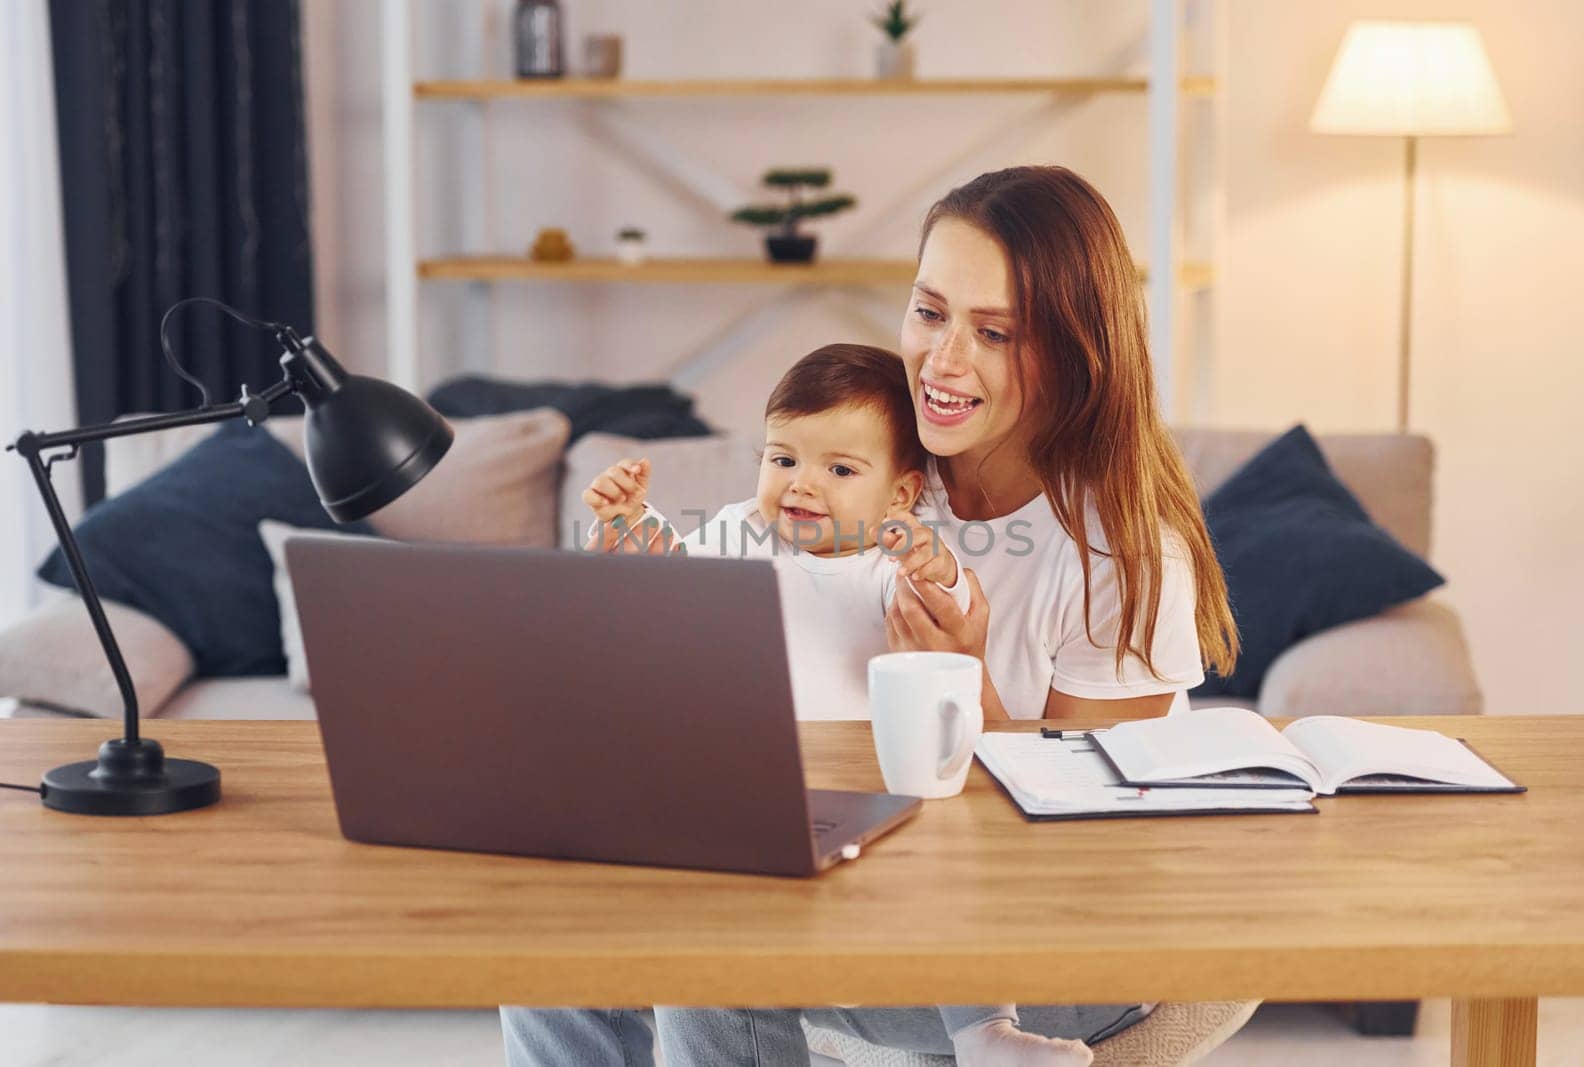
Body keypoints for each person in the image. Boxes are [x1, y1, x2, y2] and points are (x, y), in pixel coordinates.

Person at [501, 165, 1239, 1066]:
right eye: (930, 312)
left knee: (709, 946)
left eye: (994, 331)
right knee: (542, 930)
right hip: (849, 869)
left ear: (1078, 352)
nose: (944, 361)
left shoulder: (1120, 550)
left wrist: (969, 690)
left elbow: (1088, 858)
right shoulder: (871, 472)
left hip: (1043, 940)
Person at [581, 342, 970, 722]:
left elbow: (947, 618)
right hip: (743, 741)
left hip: (857, 757)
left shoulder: (894, 561)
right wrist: (630, 521)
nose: (801, 484)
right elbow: (673, 579)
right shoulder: (743, 528)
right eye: (784, 460)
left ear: (900, 494)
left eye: (840, 470)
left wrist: (937, 571)